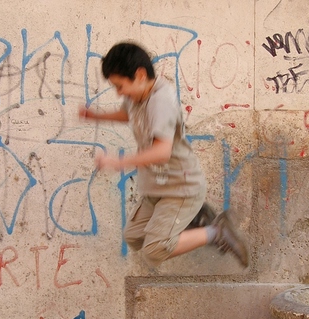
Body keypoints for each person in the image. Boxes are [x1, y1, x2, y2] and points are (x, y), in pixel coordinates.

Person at [79, 41, 248, 268]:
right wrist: (95, 116)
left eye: (120, 86)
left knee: (155, 250)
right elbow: (128, 114)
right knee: (134, 236)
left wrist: (119, 162)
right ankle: (195, 219)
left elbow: (161, 151)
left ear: (140, 75)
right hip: (158, 186)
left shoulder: (161, 101)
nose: (119, 93)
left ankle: (216, 232)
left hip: (180, 187)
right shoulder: (136, 97)